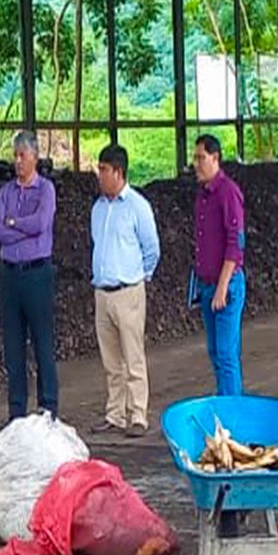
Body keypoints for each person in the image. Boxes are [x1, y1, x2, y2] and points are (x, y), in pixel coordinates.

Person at [89, 143, 160, 437]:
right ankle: (115, 414)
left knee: (133, 356)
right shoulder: (98, 208)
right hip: (102, 293)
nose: (99, 176)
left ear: (118, 172)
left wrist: (139, 277)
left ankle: (138, 414)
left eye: (104, 170)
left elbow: (152, 249)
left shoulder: (137, 207)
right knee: (110, 360)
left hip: (129, 291)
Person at [0, 129, 58, 422]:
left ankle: (49, 407)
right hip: (10, 276)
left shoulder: (45, 190)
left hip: (37, 274)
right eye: (15, 156)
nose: (18, 161)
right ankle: (16, 410)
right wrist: (22, 227)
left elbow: (41, 224)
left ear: (35, 157)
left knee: (42, 342)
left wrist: (14, 222)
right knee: (13, 345)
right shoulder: (6, 192)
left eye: (23, 156)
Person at [190, 134, 247, 396]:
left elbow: (235, 245)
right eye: (195, 158)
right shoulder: (202, 195)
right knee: (215, 352)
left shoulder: (228, 193)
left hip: (226, 285)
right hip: (206, 285)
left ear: (216, 158)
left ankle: (232, 415)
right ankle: (227, 405)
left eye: (201, 158)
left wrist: (223, 286)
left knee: (226, 354)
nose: (196, 163)